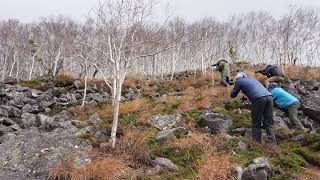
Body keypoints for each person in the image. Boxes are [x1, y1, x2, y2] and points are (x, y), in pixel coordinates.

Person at [231, 72, 276, 144]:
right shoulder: (253, 80)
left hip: (258, 99)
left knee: (256, 123)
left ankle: (256, 143)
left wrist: (235, 85)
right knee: (269, 122)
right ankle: (273, 144)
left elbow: (233, 95)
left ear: (237, 78)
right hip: (269, 97)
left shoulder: (239, 81)